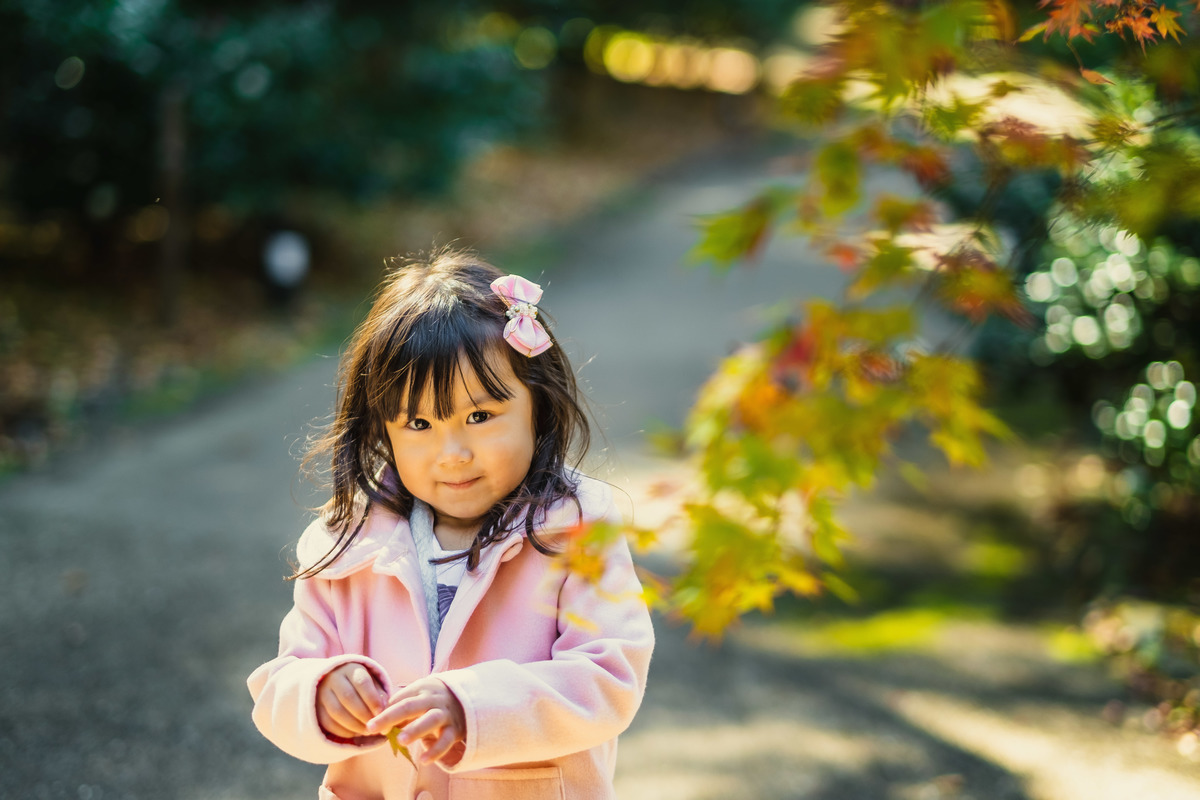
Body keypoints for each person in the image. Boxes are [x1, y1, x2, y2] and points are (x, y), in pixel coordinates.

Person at [247, 247, 655, 800]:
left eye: (480, 416)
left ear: (539, 403)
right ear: (382, 429)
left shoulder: (579, 528)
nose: (452, 453)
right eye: (418, 423)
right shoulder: (345, 543)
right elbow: (278, 685)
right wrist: (318, 694)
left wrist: (475, 708)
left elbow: (609, 678)